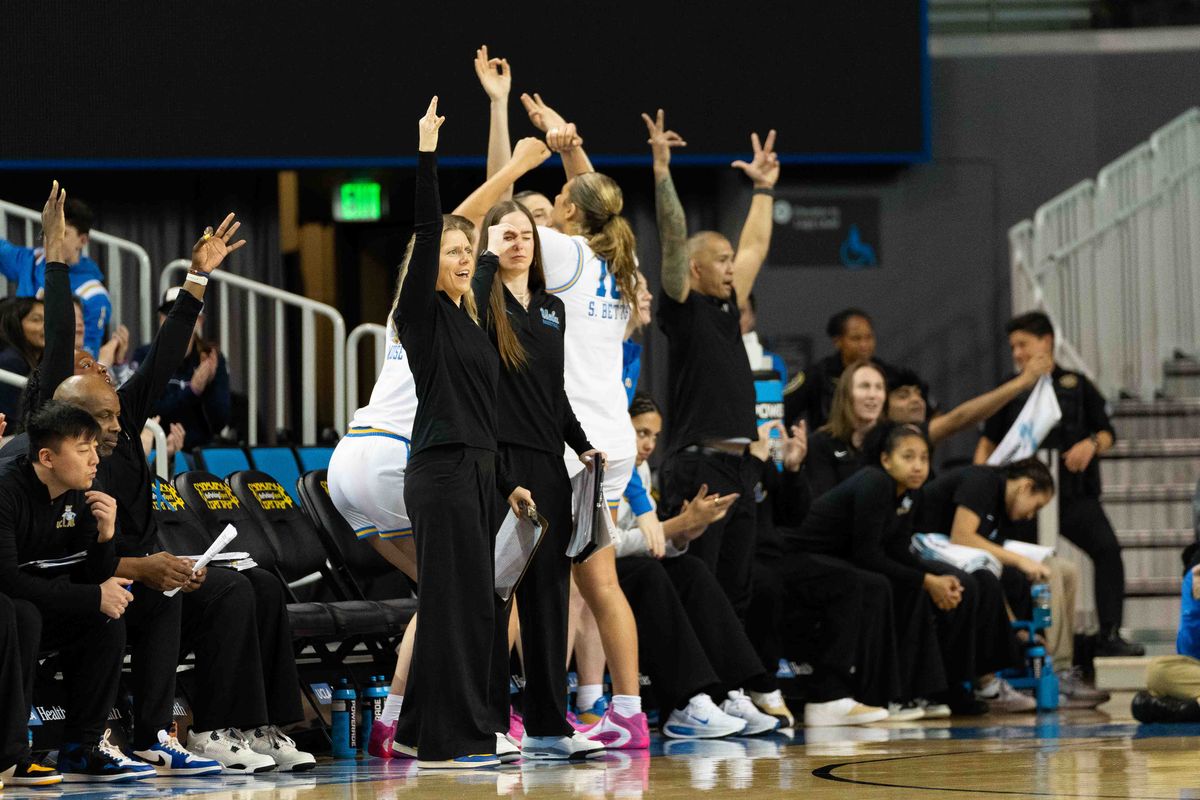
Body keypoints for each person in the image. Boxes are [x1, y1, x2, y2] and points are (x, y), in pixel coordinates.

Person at [11, 184, 311, 773]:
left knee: (246, 586)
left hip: (130, 576)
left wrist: (197, 280)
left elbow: (165, 355)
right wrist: (54, 252)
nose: (91, 358)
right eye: (78, 364)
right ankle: (177, 731)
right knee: (163, 594)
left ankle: (238, 728)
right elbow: (70, 560)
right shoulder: (57, 449)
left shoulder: (120, 414)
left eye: (95, 362)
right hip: (83, 586)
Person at [390, 97, 533, 770]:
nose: (463, 256)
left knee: (475, 608)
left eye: (466, 250)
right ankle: (455, 742)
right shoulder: (420, 315)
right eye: (451, 250)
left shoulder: (472, 317)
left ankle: (426, 729)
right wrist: (426, 151)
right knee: (453, 608)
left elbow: (486, 414)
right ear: (429, 259)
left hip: (478, 473)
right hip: (441, 470)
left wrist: (508, 485)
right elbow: (430, 221)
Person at [472, 204, 608, 759]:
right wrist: (484, 261)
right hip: (498, 465)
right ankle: (488, 724)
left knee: (550, 599)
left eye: (525, 234)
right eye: (506, 235)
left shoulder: (552, 307)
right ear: (489, 243)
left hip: (550, 465)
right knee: (496, 596)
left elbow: (554, 393)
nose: (518, 243)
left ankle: (551, 727)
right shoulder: (481, 302)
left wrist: (582, 446)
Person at [652, 109, 780, 628]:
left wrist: (764, 190)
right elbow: (672, 233)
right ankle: (694, 692)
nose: (733, 266)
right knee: (701, 584)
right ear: (696, 267)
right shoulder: (682, 307)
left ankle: (731, 690)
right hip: (698, 464)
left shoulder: (729, 305)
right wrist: (662, 171)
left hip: (739, 466)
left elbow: (755, 246)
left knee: (736, 585)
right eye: (722, 260)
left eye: (731, 260)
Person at [784, 425, 989, 722]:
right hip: (800, 557)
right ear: (886, 460)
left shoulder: (909, 495)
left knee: (915, 587)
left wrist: (938, 579)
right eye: (908, 457)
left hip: (837, 561)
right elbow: (867, 555)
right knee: (880, 585)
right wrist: (928, 580)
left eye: (923, 458)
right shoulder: (875, 483)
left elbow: (899, 551)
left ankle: (917, 691)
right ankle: (877, 695)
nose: (918, 465)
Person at [613, 394, 785, 737]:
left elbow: (652, 542)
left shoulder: (642, 470)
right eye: (640, 433)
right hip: (594, 571)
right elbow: (608, 543)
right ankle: (684, 703)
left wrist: (686, 531)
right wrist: (674, 527)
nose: (647, 445)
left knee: (691, 570)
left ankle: (729, 692)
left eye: (654, 437)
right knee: (651, 575)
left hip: (631, 564)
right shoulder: (608, 464)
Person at [975, 311, 1142, 657]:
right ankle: (1026, 643)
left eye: (1023, 344)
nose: (1018, 353)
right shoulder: (1008, 389)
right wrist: (980, 484)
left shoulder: (1077, 385)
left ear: (1046, 342)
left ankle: (1109, 633)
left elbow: (1108, 432)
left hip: (1072, 495)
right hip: (1023, 503)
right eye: (1013, 347)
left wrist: (1092, 445)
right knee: (1024, 570)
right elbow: (988, 444)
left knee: (1108, 551)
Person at [0, 401, 145, 782]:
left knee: (104, 620)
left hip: (39, 606)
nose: (95, 459)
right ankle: (11, 755)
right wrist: (94, 595)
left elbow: (91, 573)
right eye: (84, 450)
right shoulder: (6, 491)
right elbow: (8, 580)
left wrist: (105, 536)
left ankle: (83, 748)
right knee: (22, 613)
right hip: (9, 609)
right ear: (47, 457)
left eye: (95, 448)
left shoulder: (83, 492)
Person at [915, 459, 1110, 709]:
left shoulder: (1005, 514)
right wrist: (1021, 561)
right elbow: (961, 536)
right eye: (1035, 506)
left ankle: (1058, 666)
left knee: (1064, 570)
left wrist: (1013, 625)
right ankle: (991, 680)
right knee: (1009, 575)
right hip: (926, 547)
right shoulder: (982, 481)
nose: (1030, 515)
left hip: (963, 558)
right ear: (1025, 487)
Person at [0, 195, 110, 356]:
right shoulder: (31, 260)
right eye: (47, 231)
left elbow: (87, 354)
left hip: (54, 368)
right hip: (17, 352)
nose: (51, 239)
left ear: (83, 240)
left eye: (62, 233)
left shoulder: (94, 295)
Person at [128, 288, 230, 451]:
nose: (176, 322)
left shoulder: (209, 358)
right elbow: (145, 411)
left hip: (198, 450)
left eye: (186, 316)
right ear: (160, 319)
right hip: (154, 448)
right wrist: (192, 391)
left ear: (200, 321)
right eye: (169, 314)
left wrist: (208, 388)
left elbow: (219, 422)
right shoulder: (144, 355)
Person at [784, 308, 899, 431]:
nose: (864, 345)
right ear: (838, 341)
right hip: (829, 447)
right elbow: (782, 410)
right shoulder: (818, 374)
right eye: (856, 338)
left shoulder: (887, 374)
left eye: (869, 337)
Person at [805, 360, 886, 500]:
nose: (873, 395)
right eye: (864, 386)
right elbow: (824, 502)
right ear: (846, 394)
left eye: (879, 387)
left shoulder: (893, 439)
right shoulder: (820, 443)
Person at [0, 298, 44, 421]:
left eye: (48, 319)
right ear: (16, 326)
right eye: (36, 320)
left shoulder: (42, 361)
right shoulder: (9, 362)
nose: (46, 326)